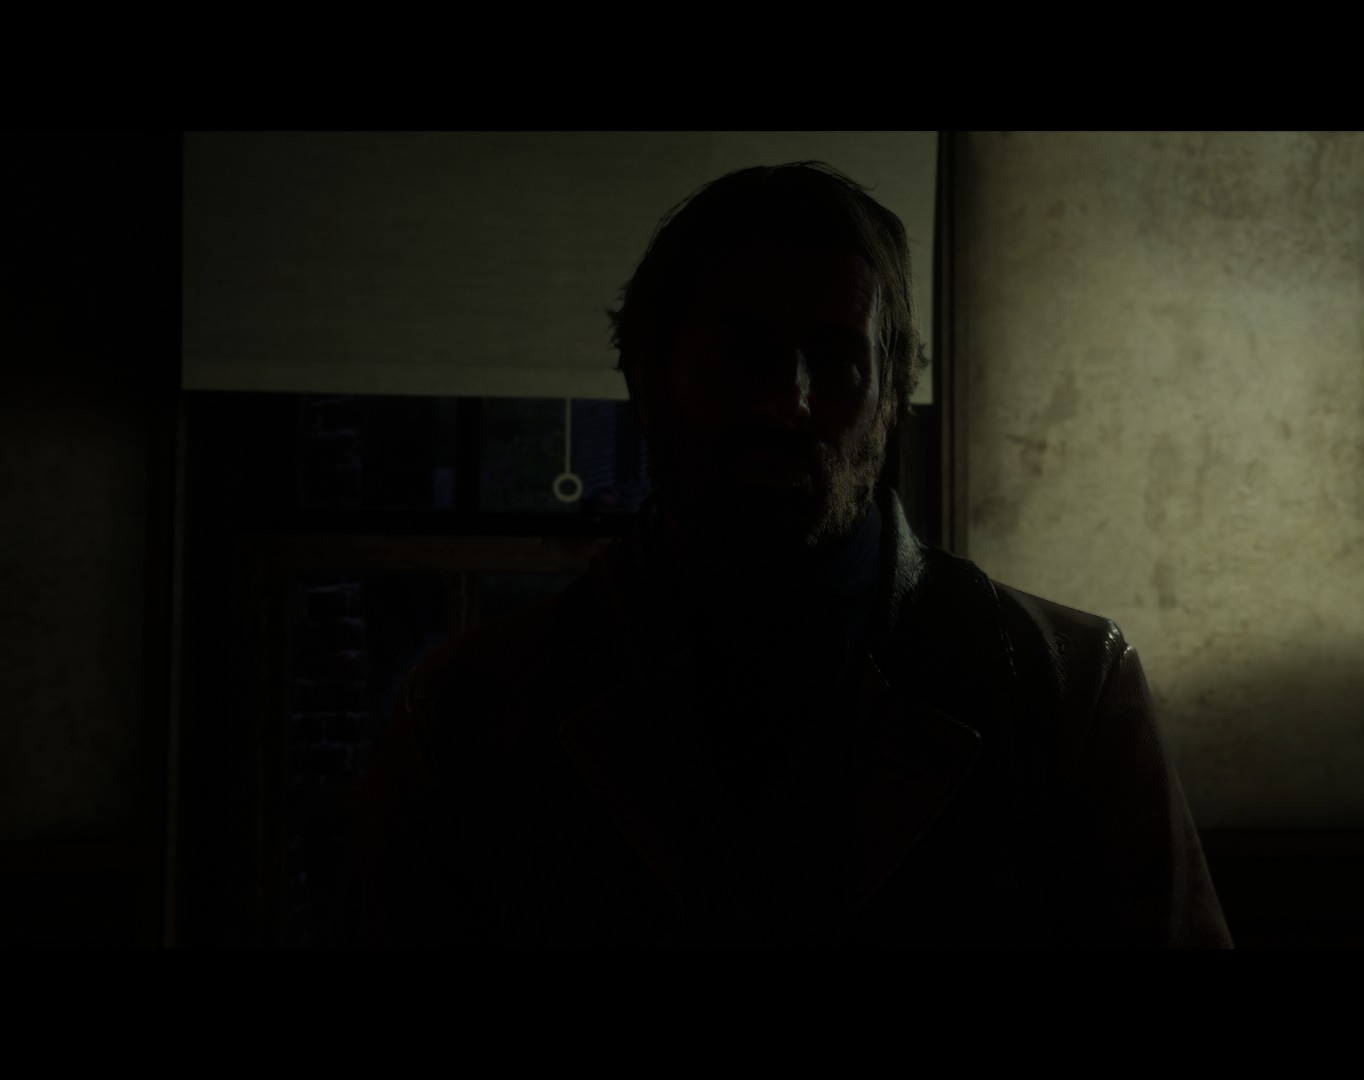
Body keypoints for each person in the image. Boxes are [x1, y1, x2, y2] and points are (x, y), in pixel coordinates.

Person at [355, 161, 1231, 947]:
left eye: (837, 360)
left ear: (892, 397)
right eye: (740, 357)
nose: (788, 403)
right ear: (649, 383)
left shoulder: (1069, 688)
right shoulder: (473, 711)